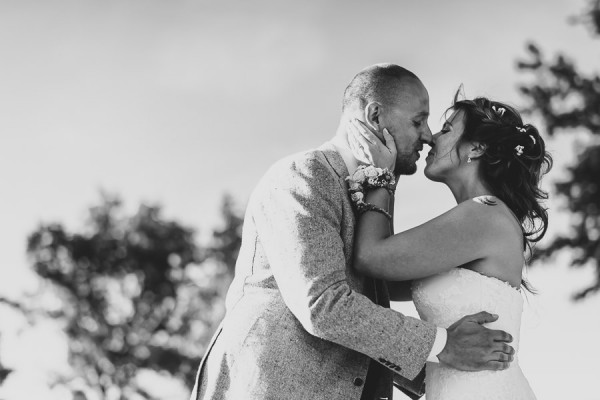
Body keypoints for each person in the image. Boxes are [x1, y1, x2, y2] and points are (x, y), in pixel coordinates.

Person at [189, 64, 515, 400]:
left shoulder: (372, 202)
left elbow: (364, 302)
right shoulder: (305, 175)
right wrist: (443, 347)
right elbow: (323, 304)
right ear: (375, 116)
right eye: (418, 121)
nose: (428, 135)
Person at [347, 91, 552, 400]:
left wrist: (382, 174)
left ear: (477, 149)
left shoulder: (486, 214)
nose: (431, 139)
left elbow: (370, 257)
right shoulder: (475, 223)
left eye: (446, 130)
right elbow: (375, 283)